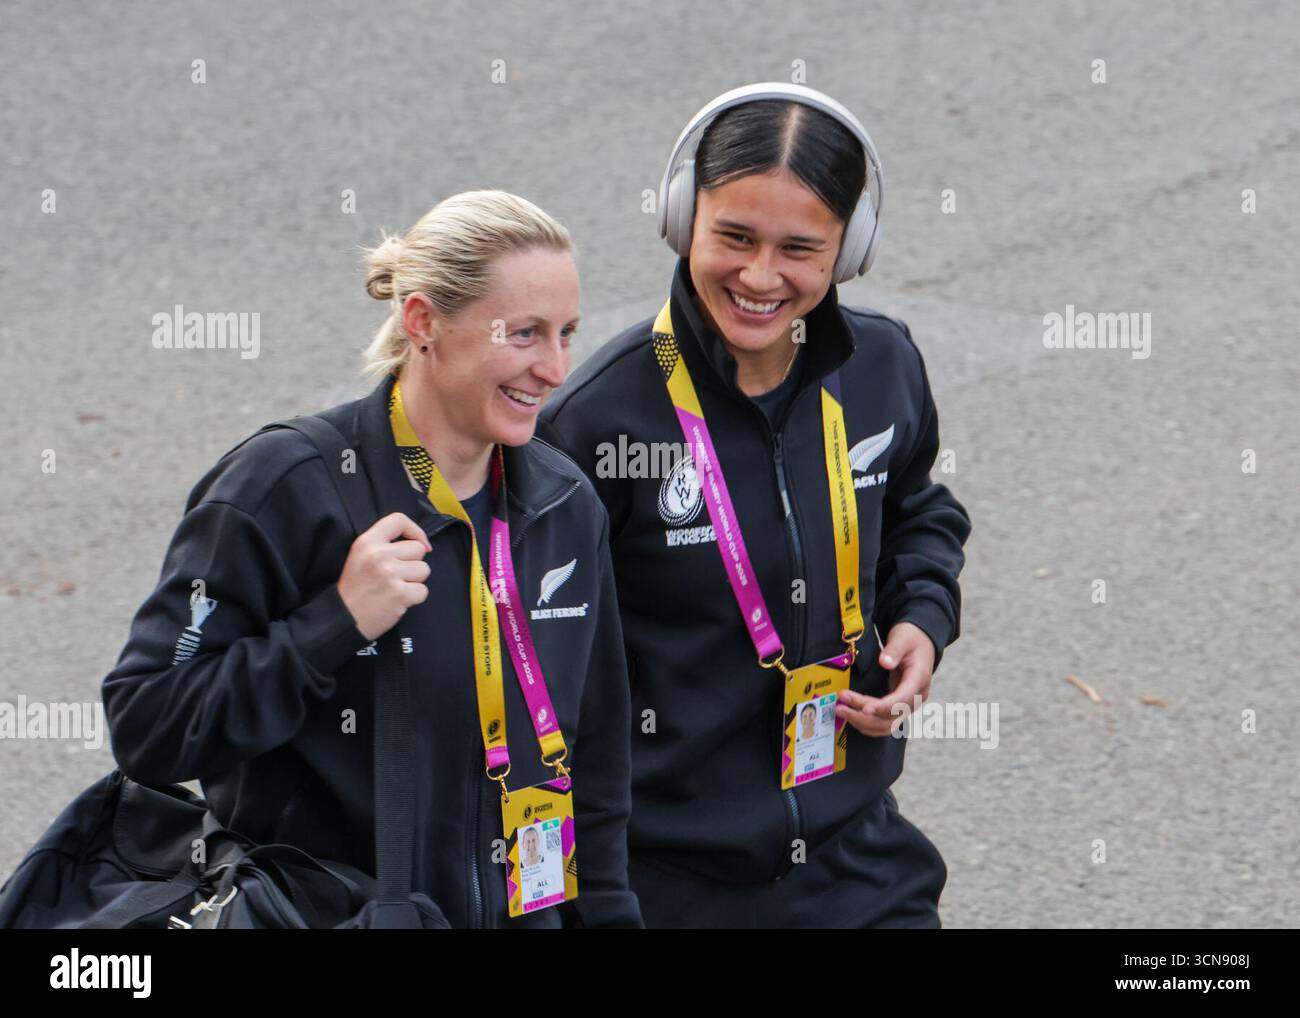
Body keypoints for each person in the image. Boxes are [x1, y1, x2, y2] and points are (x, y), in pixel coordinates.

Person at [102, 190, 642, 929]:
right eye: (524, 335)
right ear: (424, 322)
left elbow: (598, 761)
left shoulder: (563, 503)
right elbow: (148, 726)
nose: (554, 368)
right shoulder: (285, 487)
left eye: (567, 333)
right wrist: (332, 625)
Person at [539, 85, 971, 927]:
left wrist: (922, 615)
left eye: (800, 248)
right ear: (681, 218)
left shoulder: (882, 367)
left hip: (857, 854)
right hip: (667, 881)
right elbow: (540, 671)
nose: (761, 277)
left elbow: (920, 510)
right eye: (734, 236)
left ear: (851, 248)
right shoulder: (595, 420)